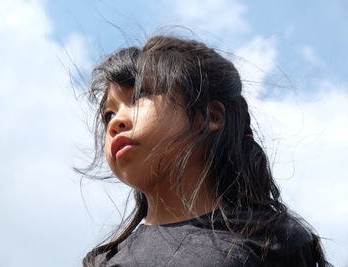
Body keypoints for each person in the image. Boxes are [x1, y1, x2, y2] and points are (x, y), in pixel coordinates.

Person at [81, 35, 330, 266]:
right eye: (109, 114)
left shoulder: (273, 241)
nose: (116, 122)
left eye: (141, 94)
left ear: (209, 116)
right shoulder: (106, 260)